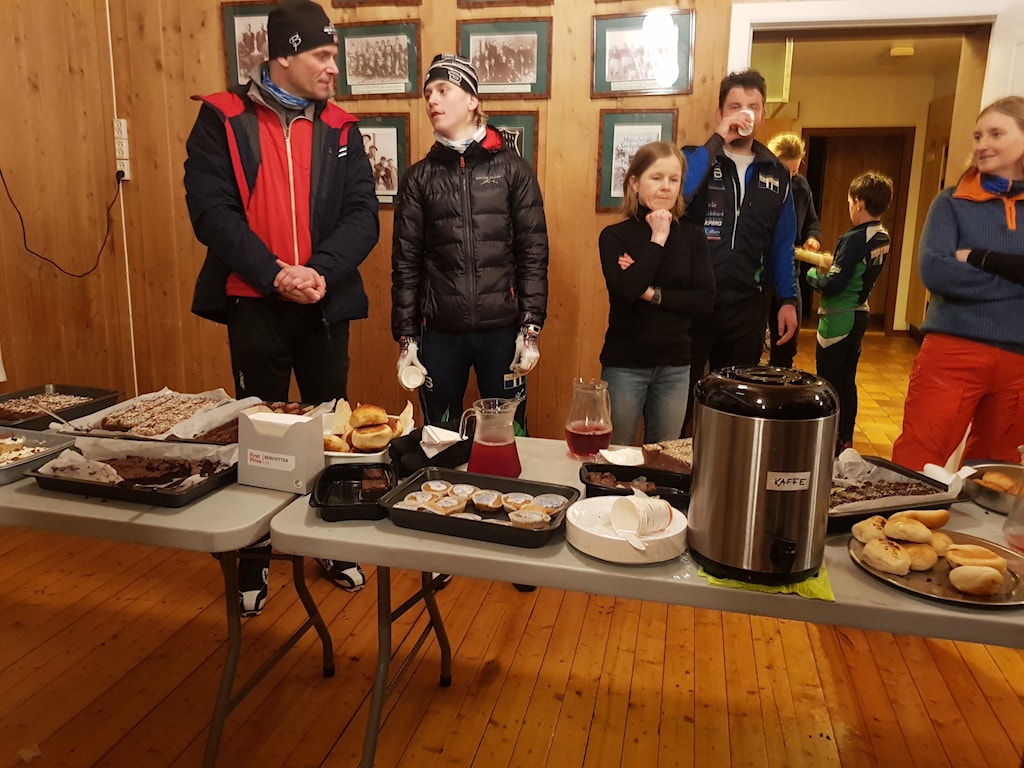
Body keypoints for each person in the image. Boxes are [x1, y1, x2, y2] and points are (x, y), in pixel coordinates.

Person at [184, 0, 379, 615]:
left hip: (324, 302)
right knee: (260, 439)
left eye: (333, 55)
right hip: (255, 303)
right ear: (285, 55)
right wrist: (274, 275)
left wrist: (317, 271)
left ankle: (331, 544)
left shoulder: (342, 127)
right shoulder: (221, 118)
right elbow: (211, 213)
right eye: (322, 55)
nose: (333, 67)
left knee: (330, 432)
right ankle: (254, 557)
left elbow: (363, 216)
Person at [392, 54, 548, 435]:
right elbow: (406, 265)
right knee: (439, 436)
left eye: (443, 89)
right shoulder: (418, 178)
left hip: (503, 331)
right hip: (440, 332)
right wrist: (407, 340)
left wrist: (530, 328)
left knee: (509, 435)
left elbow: (532, 254)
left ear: (472, 99)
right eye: (428, 93)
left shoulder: (513, 170)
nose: (432, 100)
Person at [893, 96, 1024, 469]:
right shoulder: (950, 203)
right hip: (952, 351)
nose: (982, 144)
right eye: (978, 136)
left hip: (1019, 361)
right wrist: (1017, 277)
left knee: (998, 474)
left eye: (996, 134)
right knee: (917, 460)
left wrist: (981, 259)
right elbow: (936, 272)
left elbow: (958, 271)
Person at [680, 69, 799, 434]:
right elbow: (680, 195)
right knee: (680, 402)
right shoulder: (696, 158)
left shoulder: (777, 174)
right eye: (734, 106)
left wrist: (788, 301)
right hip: (692, 301)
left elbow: (782, 244)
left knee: (735, 406)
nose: (744, 113)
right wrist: (718, 140)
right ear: (720, 113)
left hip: (748, 305)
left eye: (752, 107)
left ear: (762, 115)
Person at [598, 142, 715, 445]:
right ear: (635, 183)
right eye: (656, 177)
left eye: (673, 179)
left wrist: (652, 294)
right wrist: (658, 238)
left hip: (675, 366)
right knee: (616, 455)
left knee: (664, 457)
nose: (666, 186)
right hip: (625, 365)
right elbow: (627, 290)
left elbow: (704, 301)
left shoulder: (693, 237)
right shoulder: (614, 236)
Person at [806, 171, 893, 456]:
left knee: (828, 383)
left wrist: (811, 274)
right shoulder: (882, 235)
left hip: (838, 318)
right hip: (859, 314)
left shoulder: (854, 238)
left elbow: (834, 283)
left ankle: (827, 443)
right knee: (847, 381)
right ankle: (845, 440)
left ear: (858, 202)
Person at [766, 132, 823, 366]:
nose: (790, 177)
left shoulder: (801, 186)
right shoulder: (760, 186)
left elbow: (812, 221)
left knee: (787, 344)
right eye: (785, 171)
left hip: (790, 273)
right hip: (759, 277)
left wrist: (812, 237)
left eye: (794, 171)